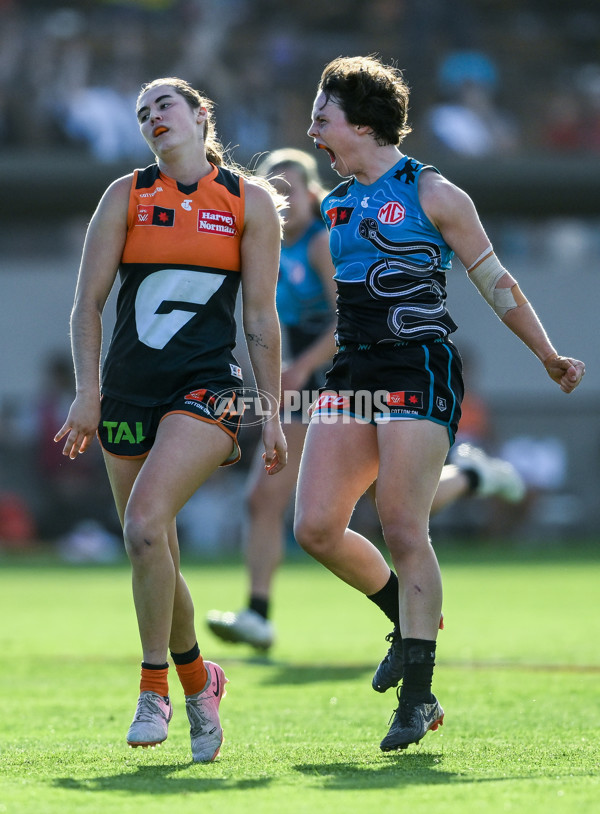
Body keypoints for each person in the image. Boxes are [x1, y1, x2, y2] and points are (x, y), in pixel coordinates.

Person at [292, 55, 585, 753]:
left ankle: (418, 700)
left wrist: (547, 354)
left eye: (321, 117)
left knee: (401, 523)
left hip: (418, 369)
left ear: (361, 122)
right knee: (315, 527)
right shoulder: (333, 203)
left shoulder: (435, 192)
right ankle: (408, 619)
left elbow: (498, 281)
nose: (312, 130)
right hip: (352, 373)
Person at [205, 150, 526, 652]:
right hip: (304, 381)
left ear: (313, 195)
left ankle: (472, 477)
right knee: (265, 497)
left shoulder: (322, 241)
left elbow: (348, 318)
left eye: (292, 190)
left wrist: (301, 368)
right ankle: (259, 611)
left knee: (390, 506)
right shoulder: (269, 246)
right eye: (273, 191)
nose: (283, 201)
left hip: (338, 372)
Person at [54, 76, 287, 763]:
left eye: (165, 105)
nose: (152, 117)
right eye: (142, 112)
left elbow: (260, 318)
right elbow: (87, 306)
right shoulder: (125, 195)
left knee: (143, 524)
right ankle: (200, 681)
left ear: (200, 116)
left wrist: (270, 416)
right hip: (126, 392)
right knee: (152, 549)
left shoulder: (248, 204)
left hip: (208, 390)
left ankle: (153, 687)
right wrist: (87, 393)